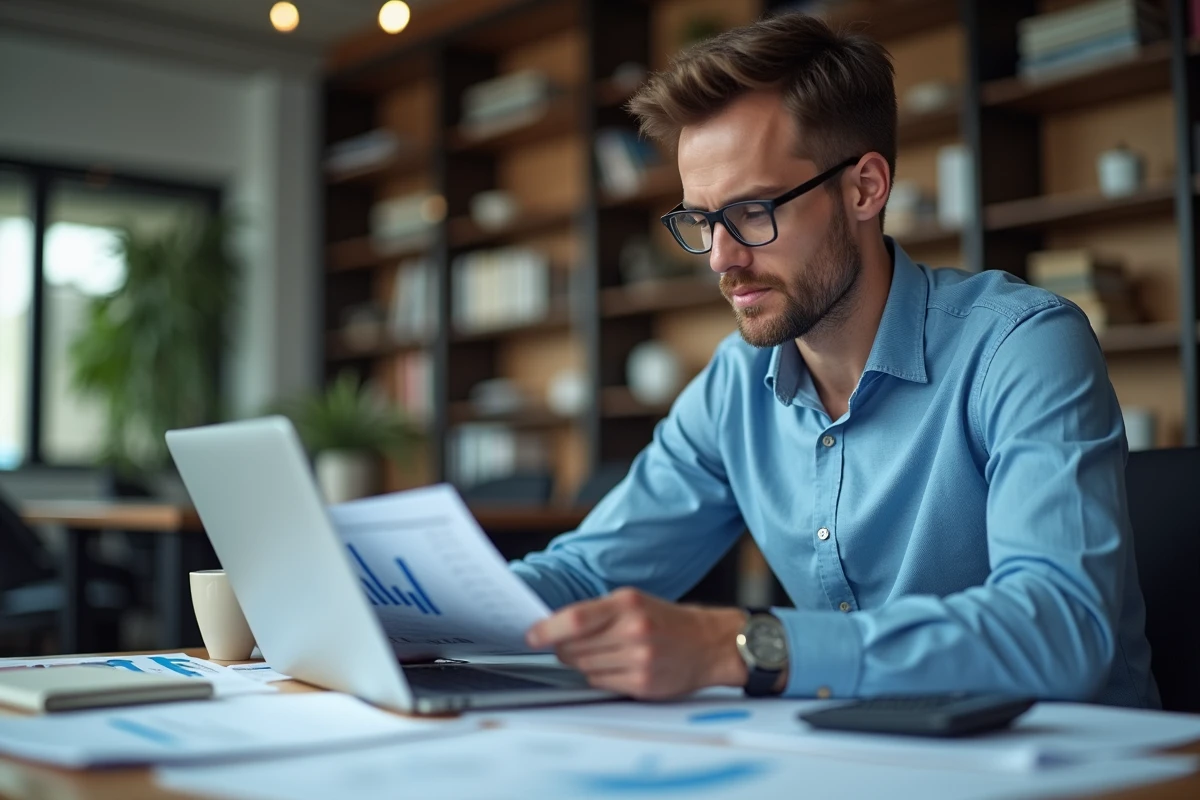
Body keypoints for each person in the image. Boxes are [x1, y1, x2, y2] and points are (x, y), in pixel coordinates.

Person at [511, 12, 1159, 708]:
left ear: (864, 188)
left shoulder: (1021, 347)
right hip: (864, 760)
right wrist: (406, 610)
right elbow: (586, 576)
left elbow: (1062, 631)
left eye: (753, 210)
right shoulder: (734, 386)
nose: (723, 259)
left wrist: (744, 648)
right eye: (701, 221)